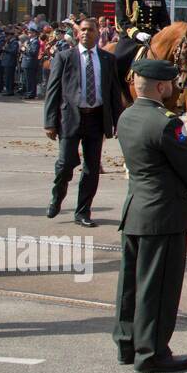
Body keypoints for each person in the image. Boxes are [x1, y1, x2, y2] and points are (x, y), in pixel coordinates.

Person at [113, 58, 187, 372]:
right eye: (169, 82)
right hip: (164, 214)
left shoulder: (128, 116)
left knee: (131, 284)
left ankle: (127, 344)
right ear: (161, 86)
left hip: (136, 210)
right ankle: (152, 352)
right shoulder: (166, 122)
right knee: (158, 287)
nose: (173, 86)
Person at [43, 16, 121, 227]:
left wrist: (117, 121)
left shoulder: (107, 59)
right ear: (78, 34)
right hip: (70, 119)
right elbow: (53, 91)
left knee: (91, 168)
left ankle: (83, 211)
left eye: (91, 30)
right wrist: (50, 122)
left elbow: (113, 92)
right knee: (65, 163)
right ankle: (57, 196)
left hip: (96, 119)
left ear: (98, 33)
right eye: (83, 30)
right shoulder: (65, 57)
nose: (86, 33)